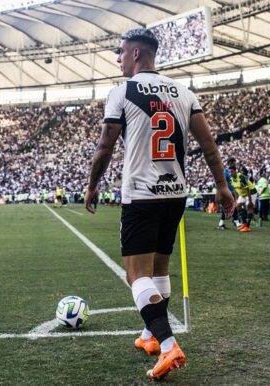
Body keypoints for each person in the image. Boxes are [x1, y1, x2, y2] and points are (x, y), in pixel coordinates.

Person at [84, 28, 235, 381]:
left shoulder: (122, 91)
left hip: (141, 194)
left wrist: (92, 185)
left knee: (136, 275)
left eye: (120, 52)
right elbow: (210, 146)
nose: (118, 59)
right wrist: (222, 186)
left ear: (136, 54)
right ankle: (151, 336)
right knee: (159, 271)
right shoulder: (184, 92)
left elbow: (105, 147)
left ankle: (168, 345)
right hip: (175, 194)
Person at [217, 158, 240, 229]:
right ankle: (236, 222)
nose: (235, 164)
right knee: (229, 207)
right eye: (234, 162)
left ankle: (222, 223)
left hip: (232, 191)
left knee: (232, 207)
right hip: (227, 192)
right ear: (230, 163)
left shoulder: (232, 171)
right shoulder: (225, 172)